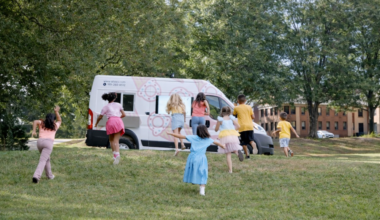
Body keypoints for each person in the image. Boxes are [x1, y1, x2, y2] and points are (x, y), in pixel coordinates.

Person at [167, 125, 225, 196]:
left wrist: (170, 133)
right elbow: (217, 143)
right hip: (201, 157)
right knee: (203, 173)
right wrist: (223, 146)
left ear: (197, 131)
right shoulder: (208, 140)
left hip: (192, 157)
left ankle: (194, 181)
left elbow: (180, 136)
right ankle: (202, 190)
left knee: (193, 170)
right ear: (206, 131)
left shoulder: (193, 137)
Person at [31, 105, 62, 184]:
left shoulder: (42, 123)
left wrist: (34, 131)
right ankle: (36, 176)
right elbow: (60, 120)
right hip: (48, 143)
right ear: (53, 120)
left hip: (39, 142)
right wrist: (56, 112)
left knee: (46, 159)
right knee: (43, 160)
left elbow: (35, 121)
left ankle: (49, 175)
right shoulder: (55, 126)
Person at [95, 92, 126, 165]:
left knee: (111, 139)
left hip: (110, 121)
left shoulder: (105, 107)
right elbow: (124, 114)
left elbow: (100, 116)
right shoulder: (118, 104)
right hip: (118, 121)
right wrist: (117, 118)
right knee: (116, 140)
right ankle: (117, 154)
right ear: (114, 98)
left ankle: (115, 155)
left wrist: (96, 123)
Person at [215, 106, 244, 173]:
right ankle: (238, 153)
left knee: (228, 153)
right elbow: (239, 126)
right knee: (234, 148)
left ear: (222, 112)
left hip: (224, 136)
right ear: (230, 112)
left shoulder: (220, 119)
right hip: (232, 135)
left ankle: (230, 170)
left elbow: (216, 129)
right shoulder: (231, 118)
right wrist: (233, 130)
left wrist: (217, 128)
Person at [233, 94, 257, 159]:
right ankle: (254, 146)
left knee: (244, 142)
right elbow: (253, 117)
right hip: (250, 126)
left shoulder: (236, 108)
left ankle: (247, 156)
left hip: (242, 127)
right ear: (245, 100)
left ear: (238, 101)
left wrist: (235, 106)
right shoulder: (249, 107)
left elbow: (234, 115)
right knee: (251, 140)